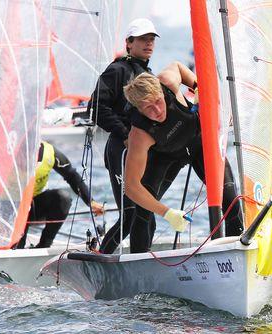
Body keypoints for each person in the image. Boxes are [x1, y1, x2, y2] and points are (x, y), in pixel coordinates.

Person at [122, 62, 244, 253]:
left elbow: (179, 66)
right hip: (166, 157)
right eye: (148, 108)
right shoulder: (140, 135)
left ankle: (233, 253)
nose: (158, 111)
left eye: (158, 101)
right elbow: (131, 187)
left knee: (231, 201)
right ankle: (138, 264)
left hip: (199, 144)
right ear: (138, 108)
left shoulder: (168, 82)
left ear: (162, 92)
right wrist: (167, 213)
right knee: (143, 212)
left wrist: (197, 87)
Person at [87, 18, 159, 254]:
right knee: (129, 214)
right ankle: (101, 258)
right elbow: (96, 107)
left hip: (140, 150)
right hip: (121, 148)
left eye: (151, 40)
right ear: (129, 43)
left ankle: (142, 262)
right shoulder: (117, 70)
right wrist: (125, 133)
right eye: (142, 39)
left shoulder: (148, 73)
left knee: (146, 213)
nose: (148, 44)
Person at [16, 141, 104, 248]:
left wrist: (90, 201)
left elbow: (72, 175)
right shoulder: (10, 150)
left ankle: (44, 245)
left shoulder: (49, 152)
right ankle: (17, 246)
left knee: (63, 198)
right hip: (12, 209)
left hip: (34, 207)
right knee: (18, 246)